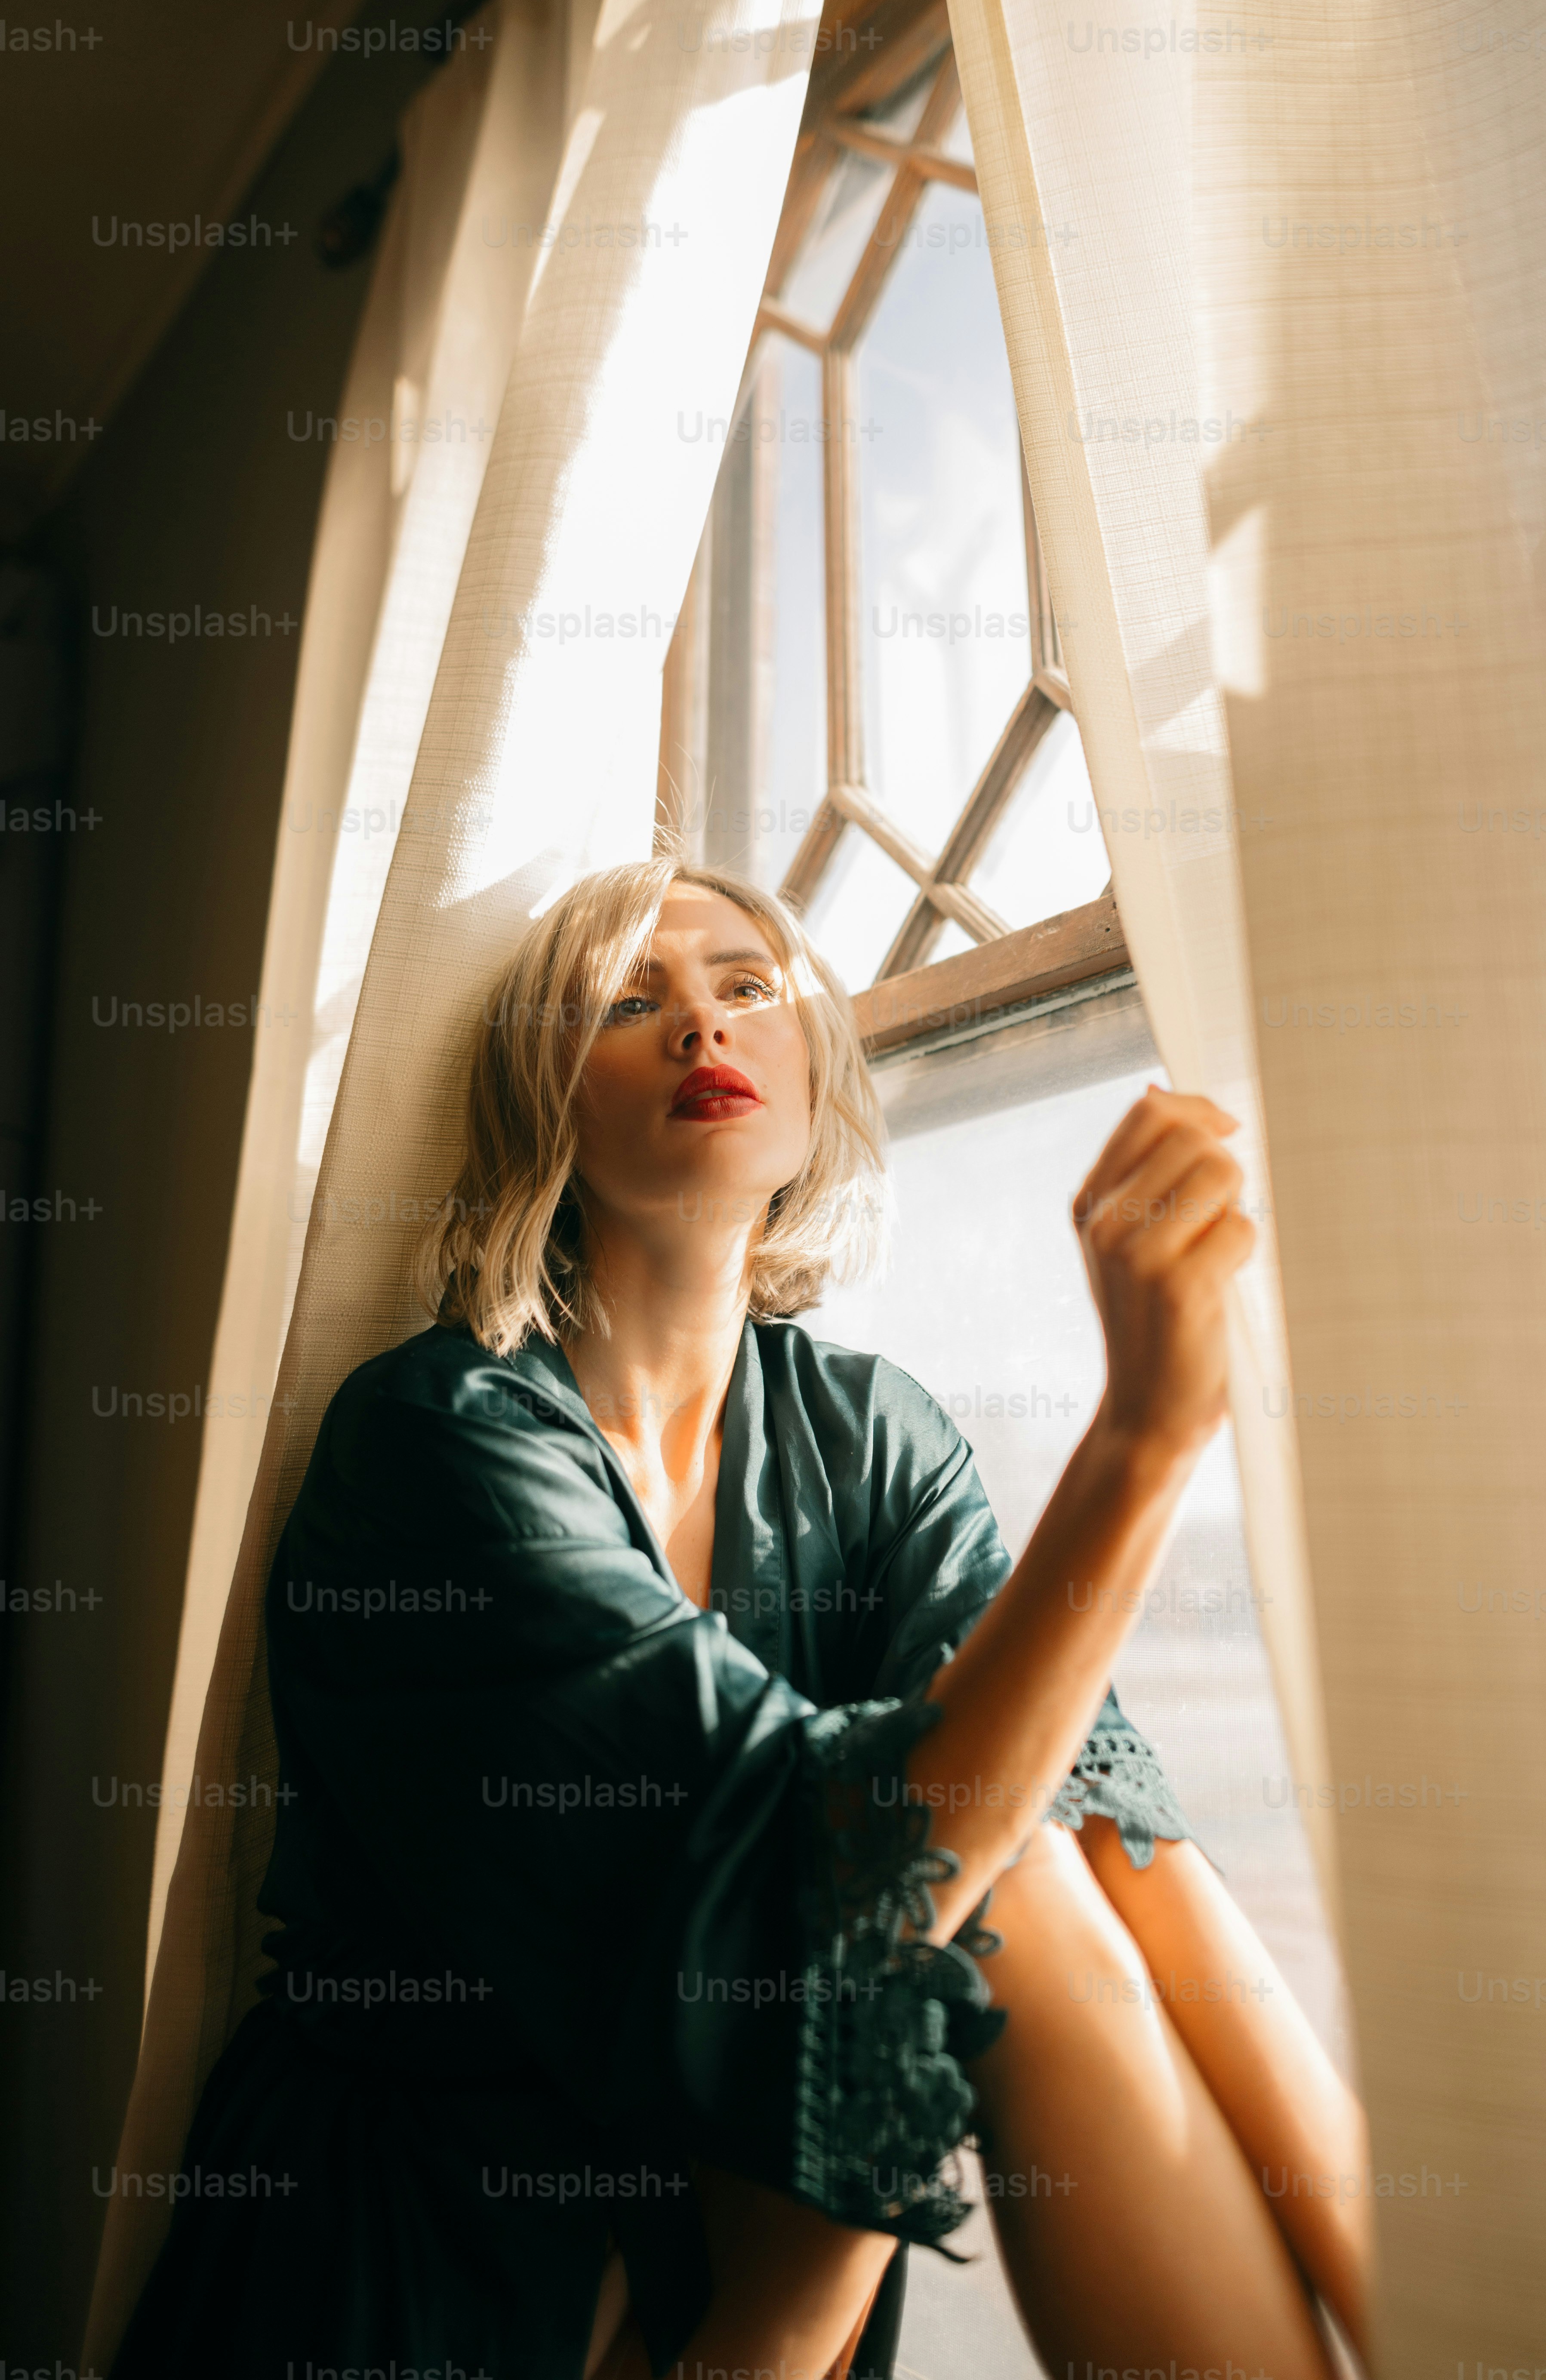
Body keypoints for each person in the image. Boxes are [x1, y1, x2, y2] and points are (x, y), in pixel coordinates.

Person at [110, 855, 1371, 2380]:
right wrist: (1147, 1444)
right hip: (444, 2234)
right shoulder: (433, 1442)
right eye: (628, 1003)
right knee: (958, 1871)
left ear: (816, 1070)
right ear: (544, 1105)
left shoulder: (870, 1432)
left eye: (747, 987)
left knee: (1031, 1859)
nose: (702, 1026)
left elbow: (1108, 1832)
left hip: (756, 2189)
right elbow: (812, 1881)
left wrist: (1403, 2294)